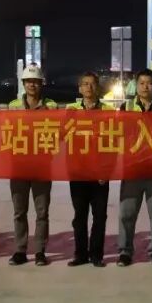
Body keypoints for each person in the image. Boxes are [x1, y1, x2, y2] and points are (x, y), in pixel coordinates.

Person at [117, 68, 152, 267]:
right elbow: (118, 134)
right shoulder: (126, 107)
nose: (145, 87)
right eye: (141, 83)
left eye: (149, 83)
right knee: (126, 213)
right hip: (133, 169)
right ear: (136, 85)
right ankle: (125, 251)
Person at [7, 64, 58, 266]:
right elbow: (6, 134)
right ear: (23, 83)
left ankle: (39, 251)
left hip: (42, 167)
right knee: (19, 211)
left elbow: (58, 133)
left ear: (41, 84)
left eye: (36, 82)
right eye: (29, 81)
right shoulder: (12, 106)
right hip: (18, 166)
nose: (32, 85)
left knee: (42, 212)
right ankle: (20, 250)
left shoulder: (52, 106)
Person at [66, 71, 113, 268]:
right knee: (80, 216)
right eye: (85, 84)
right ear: (79, 88)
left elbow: (112, 143)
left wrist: (107, 170)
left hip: (100, 172)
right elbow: (63, 138)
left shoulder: (108, 111)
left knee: (99, 216)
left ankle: (96, 255)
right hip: (78, 171)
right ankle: (80, 254)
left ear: (98, 87)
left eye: (92, 83)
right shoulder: (71, 110)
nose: (89, 87)